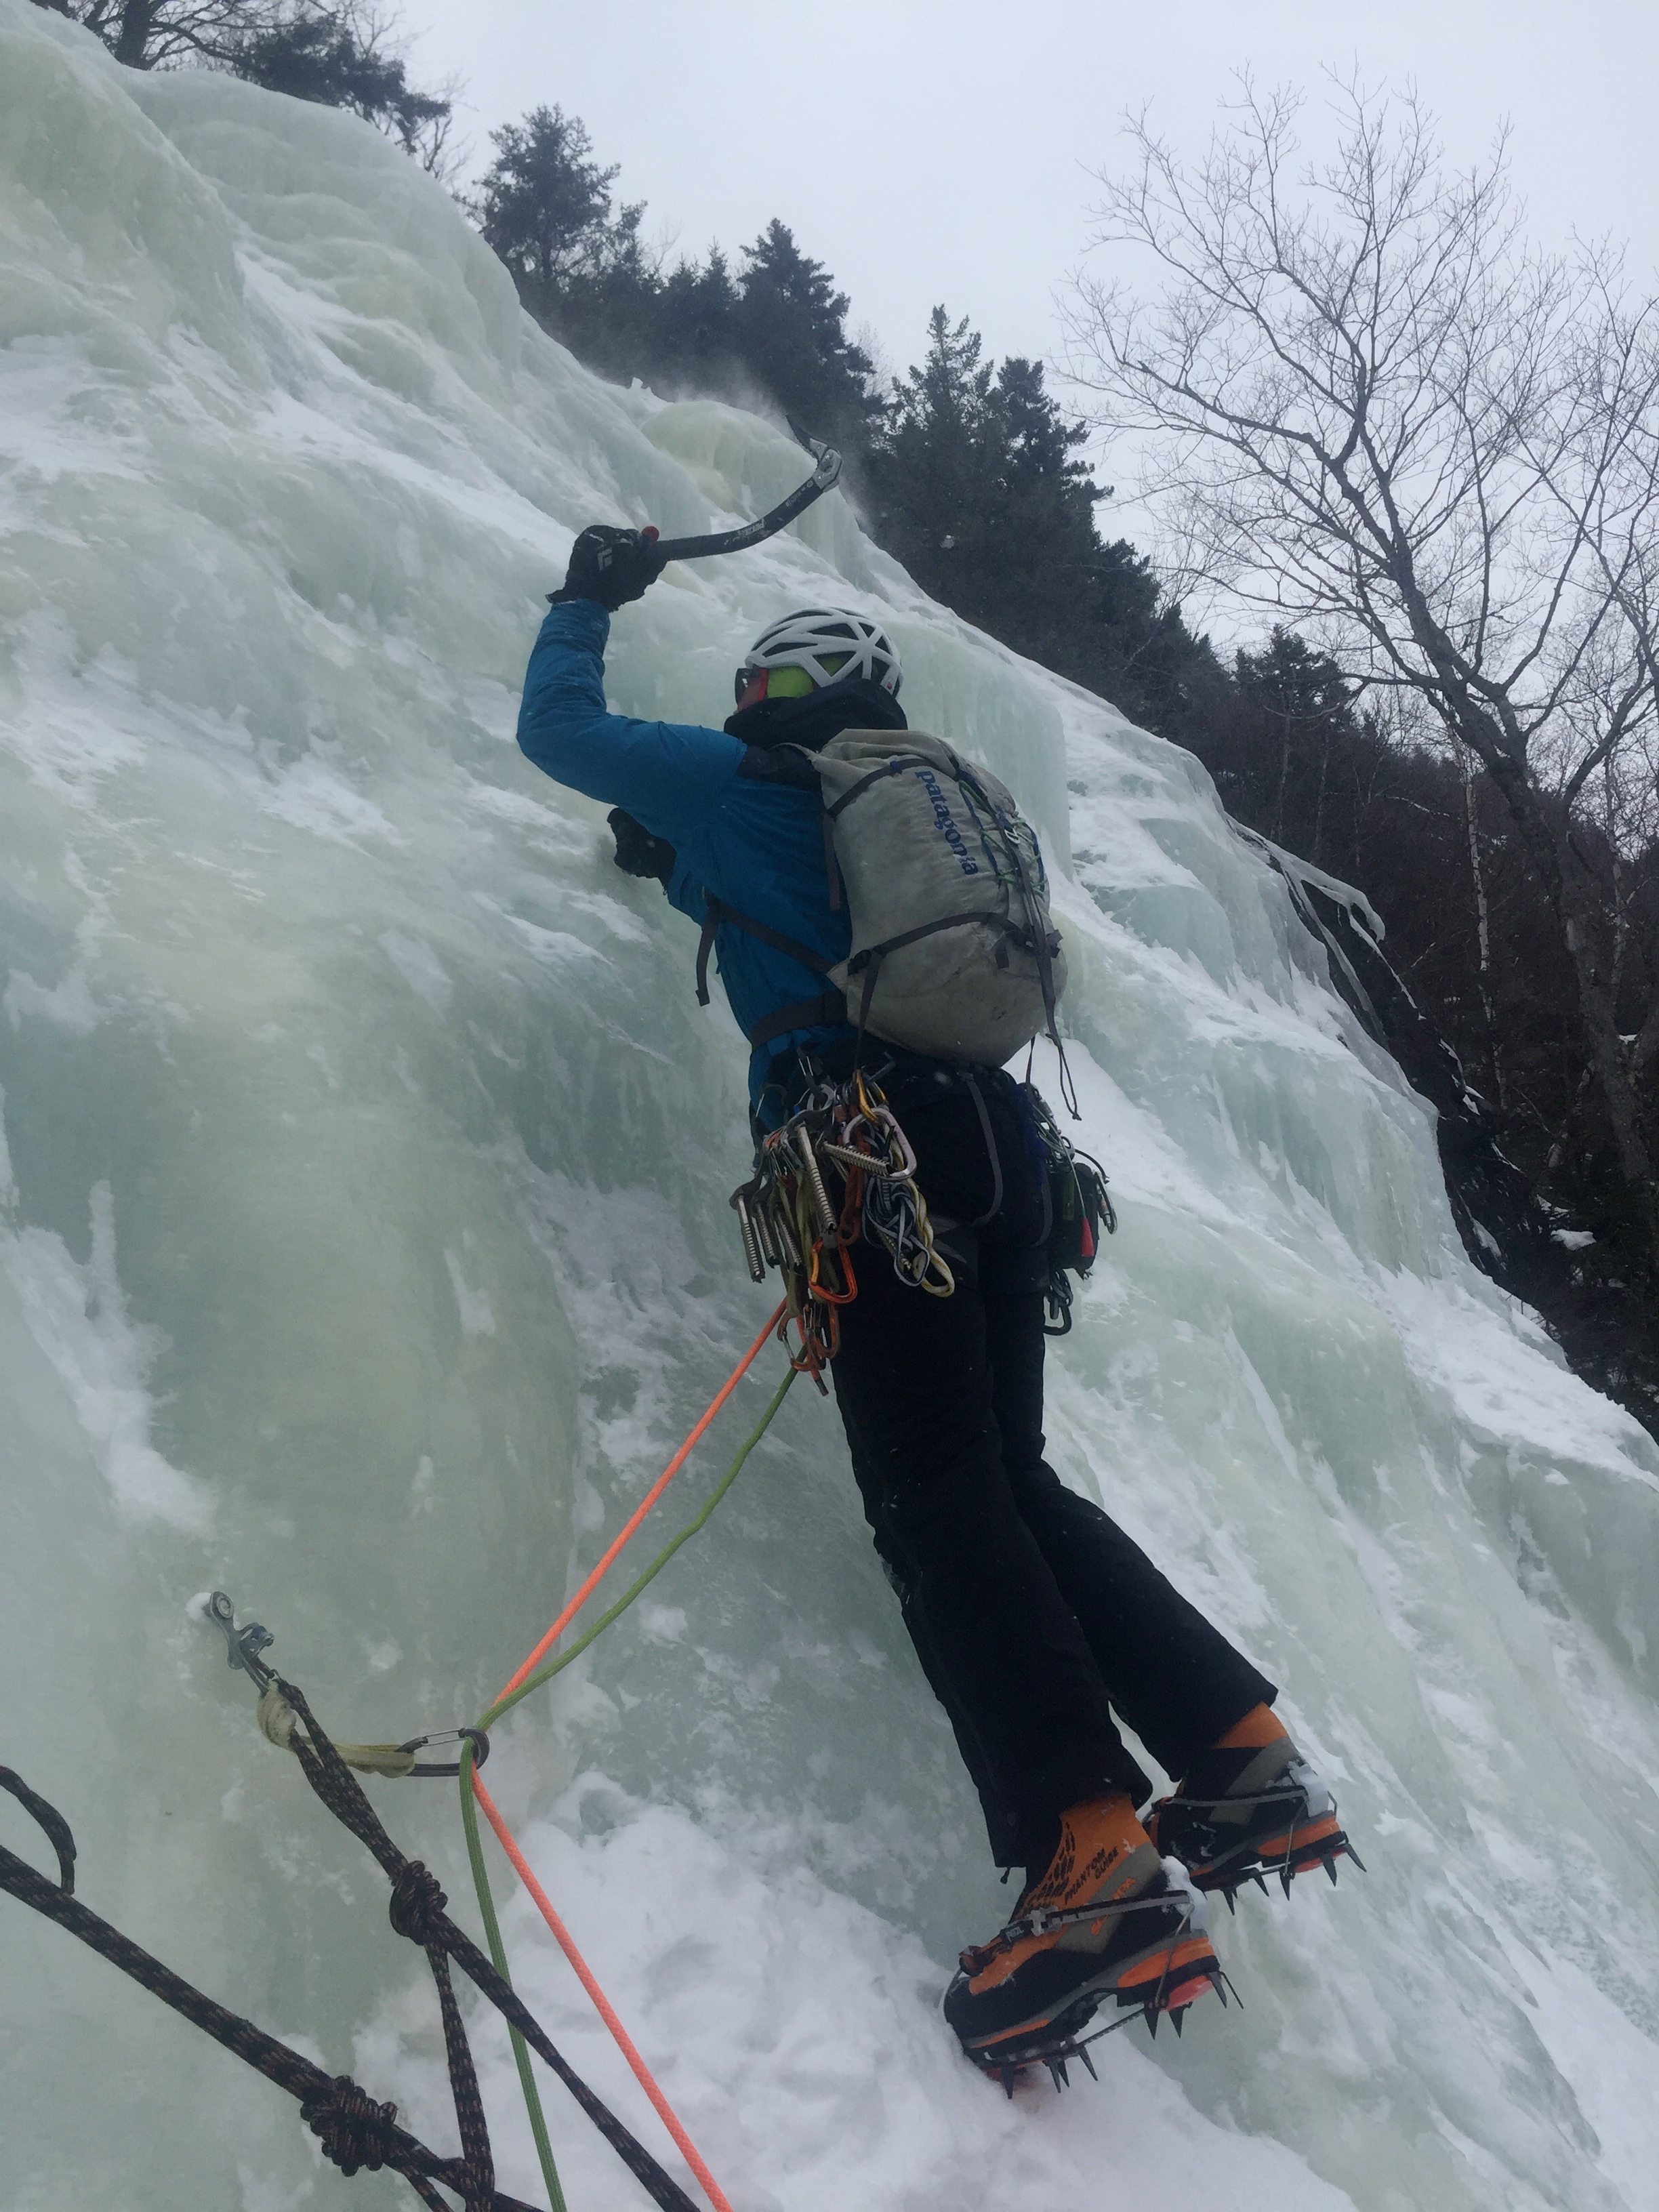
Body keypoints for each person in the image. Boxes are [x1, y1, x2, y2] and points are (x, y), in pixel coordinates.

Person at [516, 525, 1356, 2082]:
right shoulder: (911, 815)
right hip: (1007, 1157)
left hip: (864, 1157)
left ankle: (1091, 1859)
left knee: (937, 1501)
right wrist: (674, 863)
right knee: (1013, 1486)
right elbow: (795, 918)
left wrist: (586, 596)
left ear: (777, 696)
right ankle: (1244, 1764)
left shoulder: (741, 779)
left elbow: (555, 734)